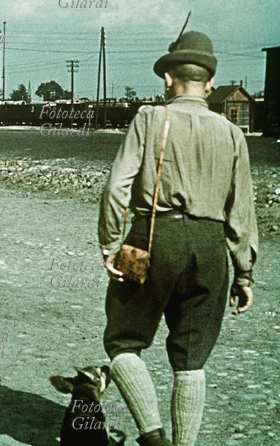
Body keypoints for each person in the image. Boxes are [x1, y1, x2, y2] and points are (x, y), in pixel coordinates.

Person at [98, 31, 258, 446]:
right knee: (190, 359)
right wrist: (244, 274)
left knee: (123, 341)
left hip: (148, 238)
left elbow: (117, 186)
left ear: (168, 79)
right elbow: (241, 210)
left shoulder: (150, 119)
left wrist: (111, 244)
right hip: (210, 248)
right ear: (209, 84)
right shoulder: (232, 133)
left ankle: (152, 437)